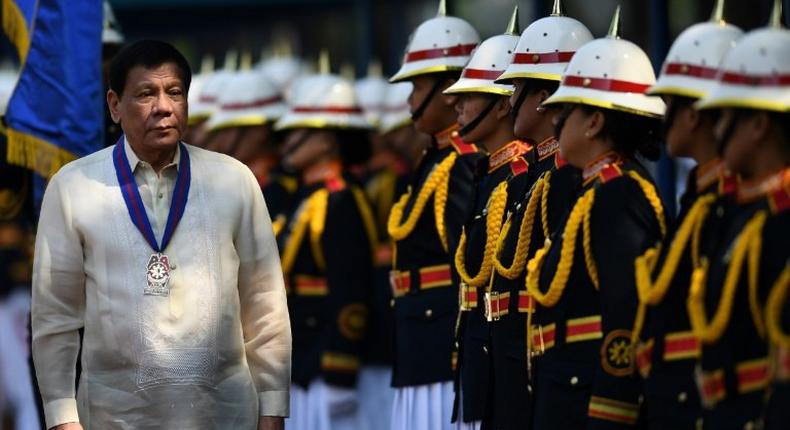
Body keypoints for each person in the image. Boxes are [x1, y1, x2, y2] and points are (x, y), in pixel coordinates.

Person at [31, 40, 291, 430]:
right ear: (115, 105)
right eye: (145, 94)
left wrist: (273, 406)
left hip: (224, 413)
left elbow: (264, 301)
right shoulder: (73, 186)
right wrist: (61, 417)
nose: (163, 107)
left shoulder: (233, 180)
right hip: (114, 416)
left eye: (174, 93)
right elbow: (55, 317)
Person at [526, 7, 667, 428]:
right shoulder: (593, 188)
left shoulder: (618, 193)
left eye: (565, 111)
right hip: (565, 389)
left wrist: (612, 413)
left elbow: (623, 315)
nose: (554, 120)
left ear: (595, 122)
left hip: (585, 398)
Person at [630, 2, 742, 428]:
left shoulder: (726, 208)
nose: (663, 117)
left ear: (693, 114)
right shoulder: (700, 200)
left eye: (670, 103)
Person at [486, 1, 592, 428]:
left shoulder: (565, 179)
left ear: (545, 98)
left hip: (547, 374)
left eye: (518, 89)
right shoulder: (530, 177)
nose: (509, 100)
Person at [691, 2, 789, 428]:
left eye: (725, 115)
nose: (715, 129)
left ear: (758, 125)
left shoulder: (781, 224)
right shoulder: (736, 213)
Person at [386, 1, 481, 428]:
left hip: (441, 340)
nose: (410, 98)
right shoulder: (434, 159)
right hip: (418, 338)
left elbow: (466, 264)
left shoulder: (462, 161)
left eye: (418, 85)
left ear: (448, 87)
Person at [273, 63, 377, 430]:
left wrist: (340, 370)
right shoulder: (306, 196)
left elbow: (351, 290)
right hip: (300, 357)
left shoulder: (342, 200)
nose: (286, 142)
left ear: (326, 139)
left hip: (324, 362)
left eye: (297, 132)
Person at [442, 8, 531, 429]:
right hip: (480, 356)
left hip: (511, 369)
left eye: (470, 96)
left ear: (501, 106)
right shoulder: (488, 175)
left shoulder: (521, 178)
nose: (455, 105)